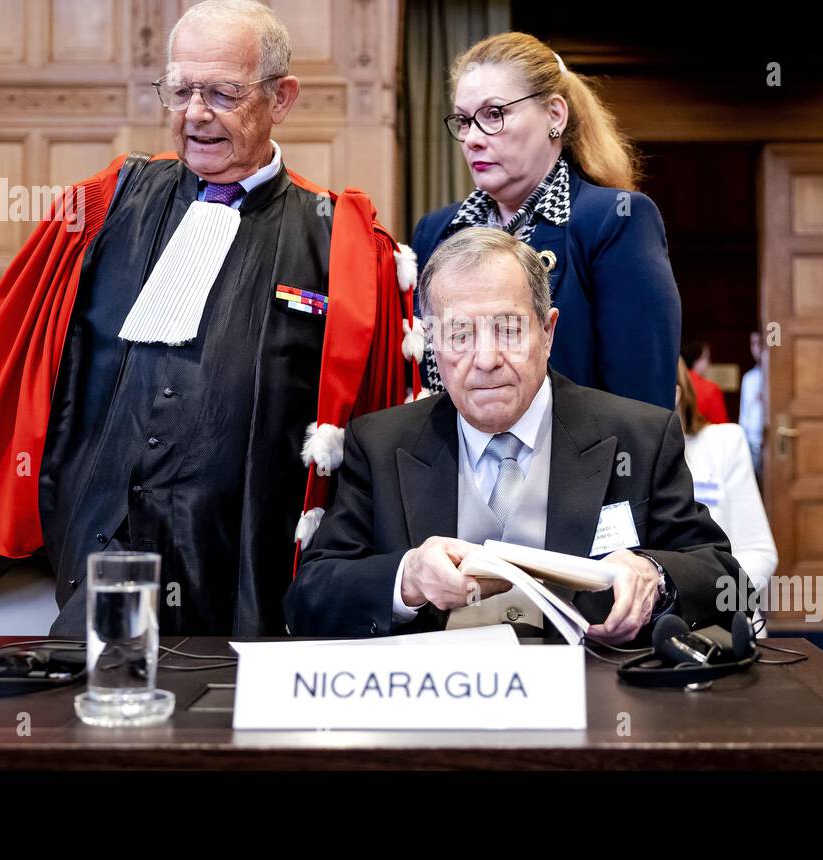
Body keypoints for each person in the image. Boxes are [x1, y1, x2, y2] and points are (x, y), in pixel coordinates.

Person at [0, 0, 415, 637]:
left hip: (253, 580)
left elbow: (372, 428)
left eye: (223, 94)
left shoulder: (343, 243)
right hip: (101, 568)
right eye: (180, 90)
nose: (195, 115)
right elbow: (18, 367)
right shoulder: (103, 209)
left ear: (281, 98)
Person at [285, 228, 745, 644]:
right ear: (431, 342)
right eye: (459, 333)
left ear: (547, 332)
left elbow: (727, 582)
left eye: (508, 330)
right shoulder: (381, 443)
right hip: (436, 711)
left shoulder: (637, 436)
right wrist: (408, 579)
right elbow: (311, 596)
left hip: (592, 709)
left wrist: (655, 575)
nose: (485, 359)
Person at [410, 32, 681, 410]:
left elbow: (642, 409)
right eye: (463, 121)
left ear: (555, 115)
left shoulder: (615, 220)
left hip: (574, 465)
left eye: (493, 114)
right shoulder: (435, 232)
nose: (471, 138)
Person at [676, 358, 777, 635]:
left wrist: (703, 598)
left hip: (727, 624)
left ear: (676, 393)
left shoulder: (724, 443)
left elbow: (760, 553)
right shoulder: (624, 457)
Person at [738, 331, 766, 482]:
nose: (756, 349)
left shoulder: (777, 376)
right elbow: (744, 412)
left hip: (772, 441)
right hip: (753, 443)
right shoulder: (749, 378)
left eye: (760, 343)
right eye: (753, 344)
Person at [685, 340, 728, 425]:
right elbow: (721, 426)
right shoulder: (711, 389)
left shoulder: (675, 385)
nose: (709, 363)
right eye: (707, 357)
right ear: (698, 358)